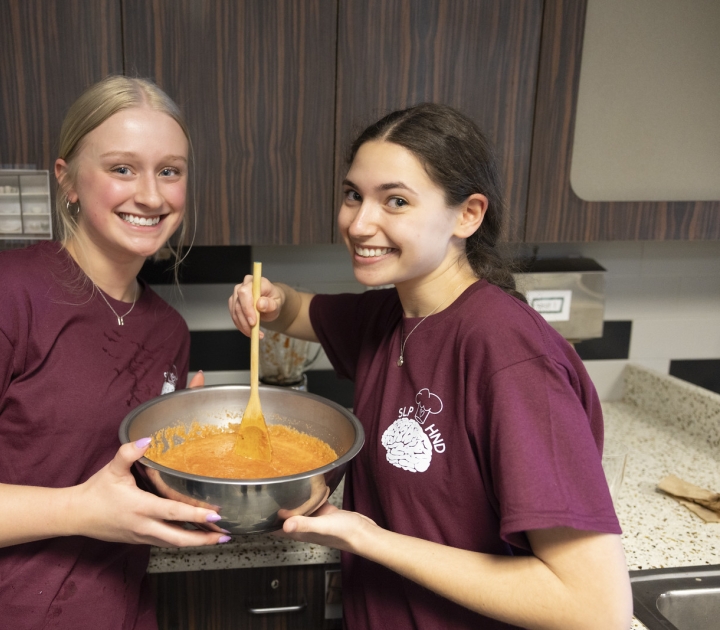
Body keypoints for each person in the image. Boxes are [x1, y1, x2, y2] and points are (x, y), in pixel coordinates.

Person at [229, 103, 633, 629]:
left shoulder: (507, 354)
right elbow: (302, 310)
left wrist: (367, 538)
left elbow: (594, 609)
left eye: (395, 200)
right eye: (354, 195)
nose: (359, 222)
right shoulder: (393, 314)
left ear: (467, 215)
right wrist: (272, 300)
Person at [0, 76, 229, 630]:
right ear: (69, 181)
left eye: (169, 171)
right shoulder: (12, 294)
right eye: (122, 168)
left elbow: (119, 483)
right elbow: (91, 501)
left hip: (123, 611)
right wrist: (78, 509)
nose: (151, 195)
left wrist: (187, 458)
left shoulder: (167, 331)